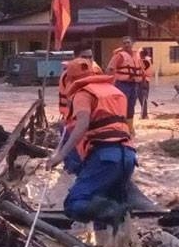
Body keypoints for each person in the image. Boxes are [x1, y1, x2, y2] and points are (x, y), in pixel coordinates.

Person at [46, 58, 136, 229]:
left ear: (71, 79)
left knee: (74, 203)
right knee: (104, 203)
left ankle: (114, 212)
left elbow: (82, 125)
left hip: (105, 156)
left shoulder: (83, 94)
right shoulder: (114, 91)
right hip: (128, 156)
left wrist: (59, 155)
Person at [54, 47, 101, 175]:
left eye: (90, 57)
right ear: (76, 58)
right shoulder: (70, 75)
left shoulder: (95, 72)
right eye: (84, 57)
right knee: (73, 155)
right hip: (72, 120)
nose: (88, 60)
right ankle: (71, 176)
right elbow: (72, 100)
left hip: (89, 120)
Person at [106, 36, 144, 131]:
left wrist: (142, 81)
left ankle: (130, 128)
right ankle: (121, 128)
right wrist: (109, 85)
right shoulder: (119, 56)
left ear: (132, 43)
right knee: (121, 106)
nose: (126, 45)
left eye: (128, 42)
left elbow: (141, 70)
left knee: (131, 106)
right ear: (122, 45)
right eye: (124, 43)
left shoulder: (137, 55)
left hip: (134, 85)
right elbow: (110, 69)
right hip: (122, 84)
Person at [136, 47, 152, 119]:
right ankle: (144, 114)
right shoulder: (146, 60)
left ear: (141, 53)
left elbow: (143, 72)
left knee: (143, 99)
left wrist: (143, 82)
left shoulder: (145, 61)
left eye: (139, 53)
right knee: (142, 99)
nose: (138, 54)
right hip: (143, 81)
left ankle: (144, 115)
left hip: (143, 81)